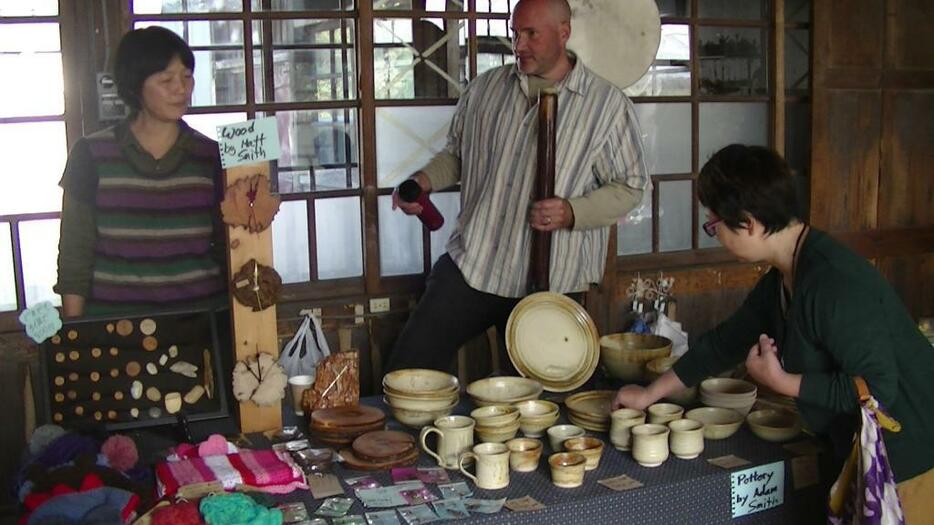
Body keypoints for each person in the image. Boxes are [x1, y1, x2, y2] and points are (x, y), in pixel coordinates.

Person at [612, 144, 934, 521]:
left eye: (714, 224)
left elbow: (878, 388)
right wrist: (650, 393)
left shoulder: (833, 282)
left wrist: (785, 382)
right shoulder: (785, 275)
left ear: (748, 223)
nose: (713, 233)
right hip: (864, 449)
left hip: (911, 454)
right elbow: (725, 341)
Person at [386, 0, 648, 372]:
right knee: (408, 369)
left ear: (564, 32)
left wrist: (572, 211)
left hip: (553, 277)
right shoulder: (485, 90)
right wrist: (422, 181)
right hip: (476, 262)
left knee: (536, 400)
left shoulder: (606, 105)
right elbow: (458, 156)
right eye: (515, 33)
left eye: (531, 34)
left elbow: (631, 187)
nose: (518, 45)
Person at [55, 27, 227, 317]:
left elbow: (232, 246)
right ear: (136, 86)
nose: (181, 88)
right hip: (115, 329)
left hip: (202, 324)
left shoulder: (211, 155)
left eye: (187, 76)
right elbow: (75, 250)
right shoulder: (90, 154)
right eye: (166, 79)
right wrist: (76, 333)